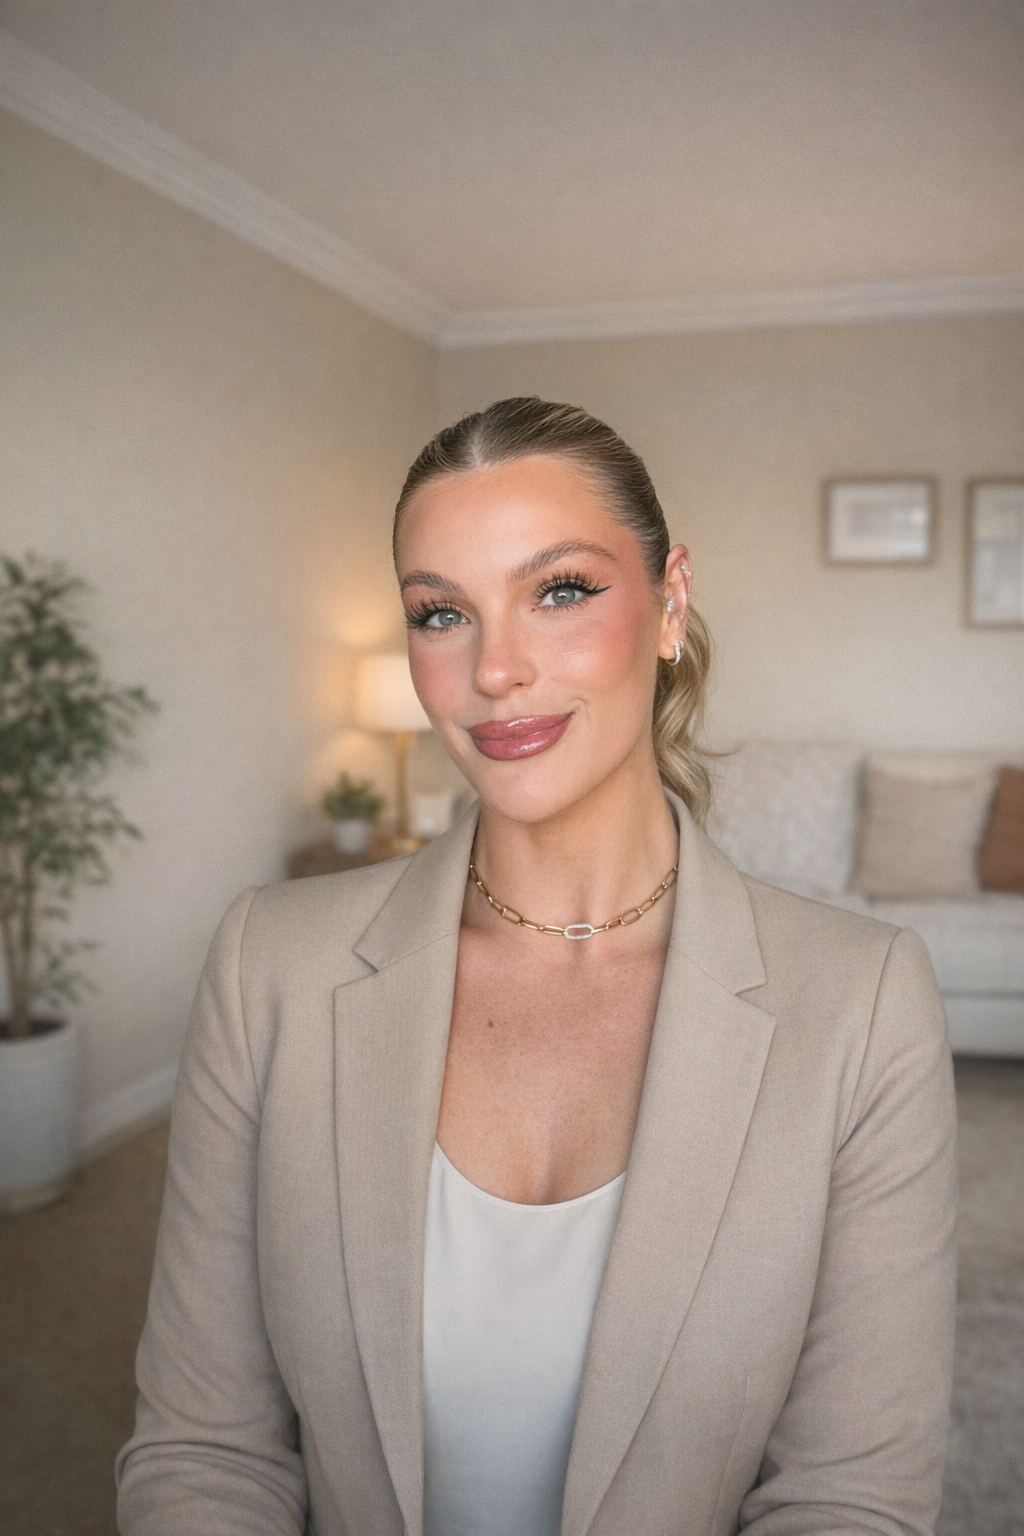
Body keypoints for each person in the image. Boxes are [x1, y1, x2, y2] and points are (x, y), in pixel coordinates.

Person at [117, 398, 957, 1536]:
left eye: (558, 590)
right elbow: (205, 1450)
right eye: (441, 612)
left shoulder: (860, 1004)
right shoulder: (272, 966)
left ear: (670, 604)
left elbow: (851, 1498)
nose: (495, 670)